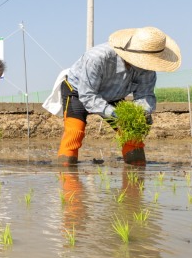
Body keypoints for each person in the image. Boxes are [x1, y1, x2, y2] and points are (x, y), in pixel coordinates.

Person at [51, 26, 181, 166]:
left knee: (132, 136)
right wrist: (116, 115)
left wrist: (142, 114)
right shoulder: (97, 58)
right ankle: (67, 175)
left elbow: (145, 95)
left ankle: (135, 176)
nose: (148, 65)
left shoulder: (147, 69)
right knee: (74, 133)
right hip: (78, 91)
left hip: (114, 94)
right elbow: (88, 95)